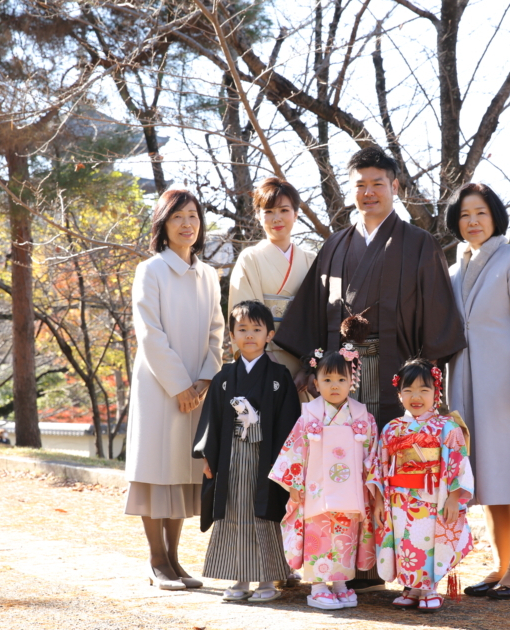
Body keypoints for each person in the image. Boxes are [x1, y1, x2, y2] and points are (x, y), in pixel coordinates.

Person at [275, 146, 466, 591]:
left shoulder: (419, 245)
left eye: (378, 183)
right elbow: (309, 315)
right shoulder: (336, 245)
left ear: (395, 187)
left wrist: (427, 381)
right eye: (359, 184)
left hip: (395, 376)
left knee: (387, 474)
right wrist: (313, 366)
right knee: (344, 471)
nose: (368, 192)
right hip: (341, 380)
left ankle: (400, 567)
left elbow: (438, 320)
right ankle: (347, 566)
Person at [445, 183, 510, 600]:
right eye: (465, 214)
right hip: (468, 389)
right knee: (488, 477)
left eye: (481, 213)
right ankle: (501, 565)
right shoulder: (454, 269)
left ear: (495, 217)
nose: (472, 221)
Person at [124, 189, 225, 591]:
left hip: (198, 389)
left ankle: (176, 560)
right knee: (156, 468)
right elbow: (149, 333)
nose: (188, 224)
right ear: (163, 225)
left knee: (184, 471)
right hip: (159, 385)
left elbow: (217, 332)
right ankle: (156, 560)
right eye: (178, 217)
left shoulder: (209, 275)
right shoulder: (150, 271)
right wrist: (179, 385)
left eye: (193, 216)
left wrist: (203, 379)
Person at [193, 300, 301, 603]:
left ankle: (267, 580)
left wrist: (286, 465)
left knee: (265, 515)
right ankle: (238, 579)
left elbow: (290, 423)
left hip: (266, 460)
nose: (249, 335)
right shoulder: (224, 378)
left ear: (269, 335)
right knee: (234, 514)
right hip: (231, 460)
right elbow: (211, 420)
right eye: (242, 329)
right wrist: (207, 456)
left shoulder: (280, 377)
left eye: (257, 329)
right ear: (232, 335)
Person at [269, 348, 379, 610]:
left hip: (351, 490)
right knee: (318, 534)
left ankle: (341, 584)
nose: (334, 386)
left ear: (352, 382)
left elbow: (373, 455)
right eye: (327, 380)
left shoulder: (363, 417)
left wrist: (372, 487)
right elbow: (294, 450)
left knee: (345, 536)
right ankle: (318, 587)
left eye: (341, 379)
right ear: (315, 383)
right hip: (315, 489)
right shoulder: (309, 416)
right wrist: (294, 484)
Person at [370, 358, 474, 613]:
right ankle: (411, 587)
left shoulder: (448, 427)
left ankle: (428, 588)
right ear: (399, 394)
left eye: (424, 390)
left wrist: (452, 498)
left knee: (425, 540)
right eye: (408, 390)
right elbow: (380, 466)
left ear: (436, 393)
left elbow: (458, 464)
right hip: (399, 497)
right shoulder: (392, 429)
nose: (416, 396)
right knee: (405, 541)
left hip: (432, 497)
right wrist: (380, 501)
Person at [228, 177, 316, 377]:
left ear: (296, 214)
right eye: (268, 211)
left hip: (304, 361)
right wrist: (265, 364)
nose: (277, 218)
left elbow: (318, 319)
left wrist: (311, 368)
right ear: (258, 216)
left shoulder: (311, 260)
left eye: (284, 210)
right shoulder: (250, 258)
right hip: (265, 361)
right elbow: (244, 318)